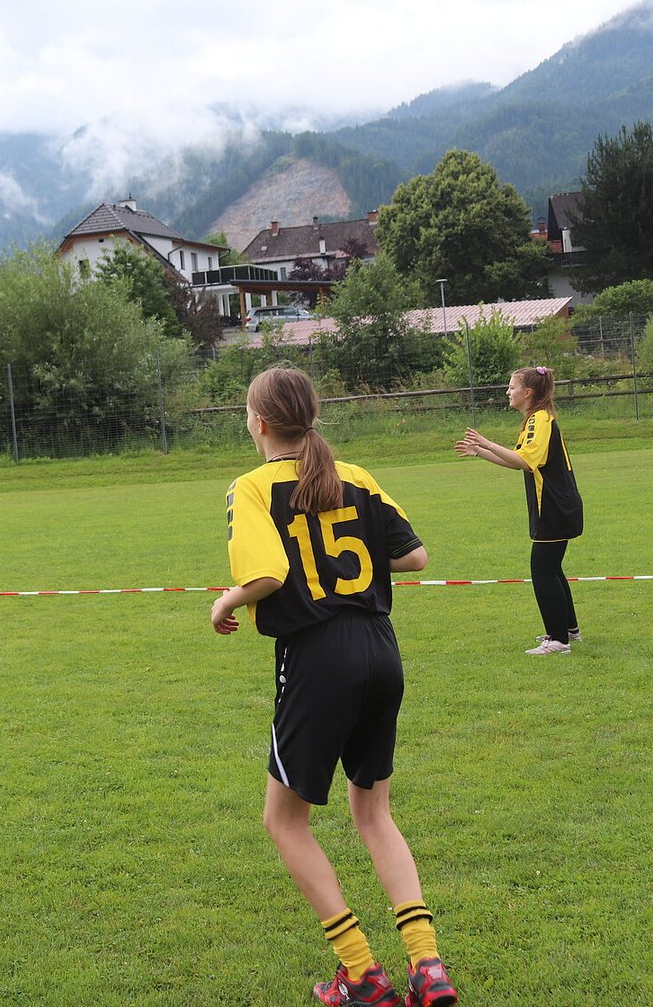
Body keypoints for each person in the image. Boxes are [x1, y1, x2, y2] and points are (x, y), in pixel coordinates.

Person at [211, 365, 455, 1007]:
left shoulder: (252, 486)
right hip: (380, 650)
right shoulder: (356, 476)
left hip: (318, 657)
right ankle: (427, 966)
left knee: (284, 821)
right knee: (374, 813)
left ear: (260, 423)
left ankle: (361, 974)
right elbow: (414, 556)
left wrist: (224, 603)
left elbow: (266, 574)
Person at [455, 366, 583, 657]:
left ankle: (558, 640)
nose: (507, 392)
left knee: (542, 570)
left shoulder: (540, 419)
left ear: (528, 392)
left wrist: (487, 442)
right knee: (552, 568)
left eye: (512, 387)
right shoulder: (534, 419)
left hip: (554, 507)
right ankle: (569, 630)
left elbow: (526, 461)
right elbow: (518, 462)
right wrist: (481, 452)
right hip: (556, 506)